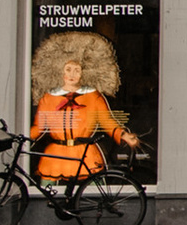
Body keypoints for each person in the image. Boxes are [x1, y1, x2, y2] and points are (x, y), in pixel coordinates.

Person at [30, 50, 134, 186]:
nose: (72, 74)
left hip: (85, 153)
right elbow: (39, 127)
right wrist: (24, 135)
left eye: (77, 70)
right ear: (59, 70)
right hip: (55, 156)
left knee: (98, 194)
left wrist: (123, 135)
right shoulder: (48, 98)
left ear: (84, 73)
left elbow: (106, 121)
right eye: (68, 69)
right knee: (46, 194)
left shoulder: (93, 96)